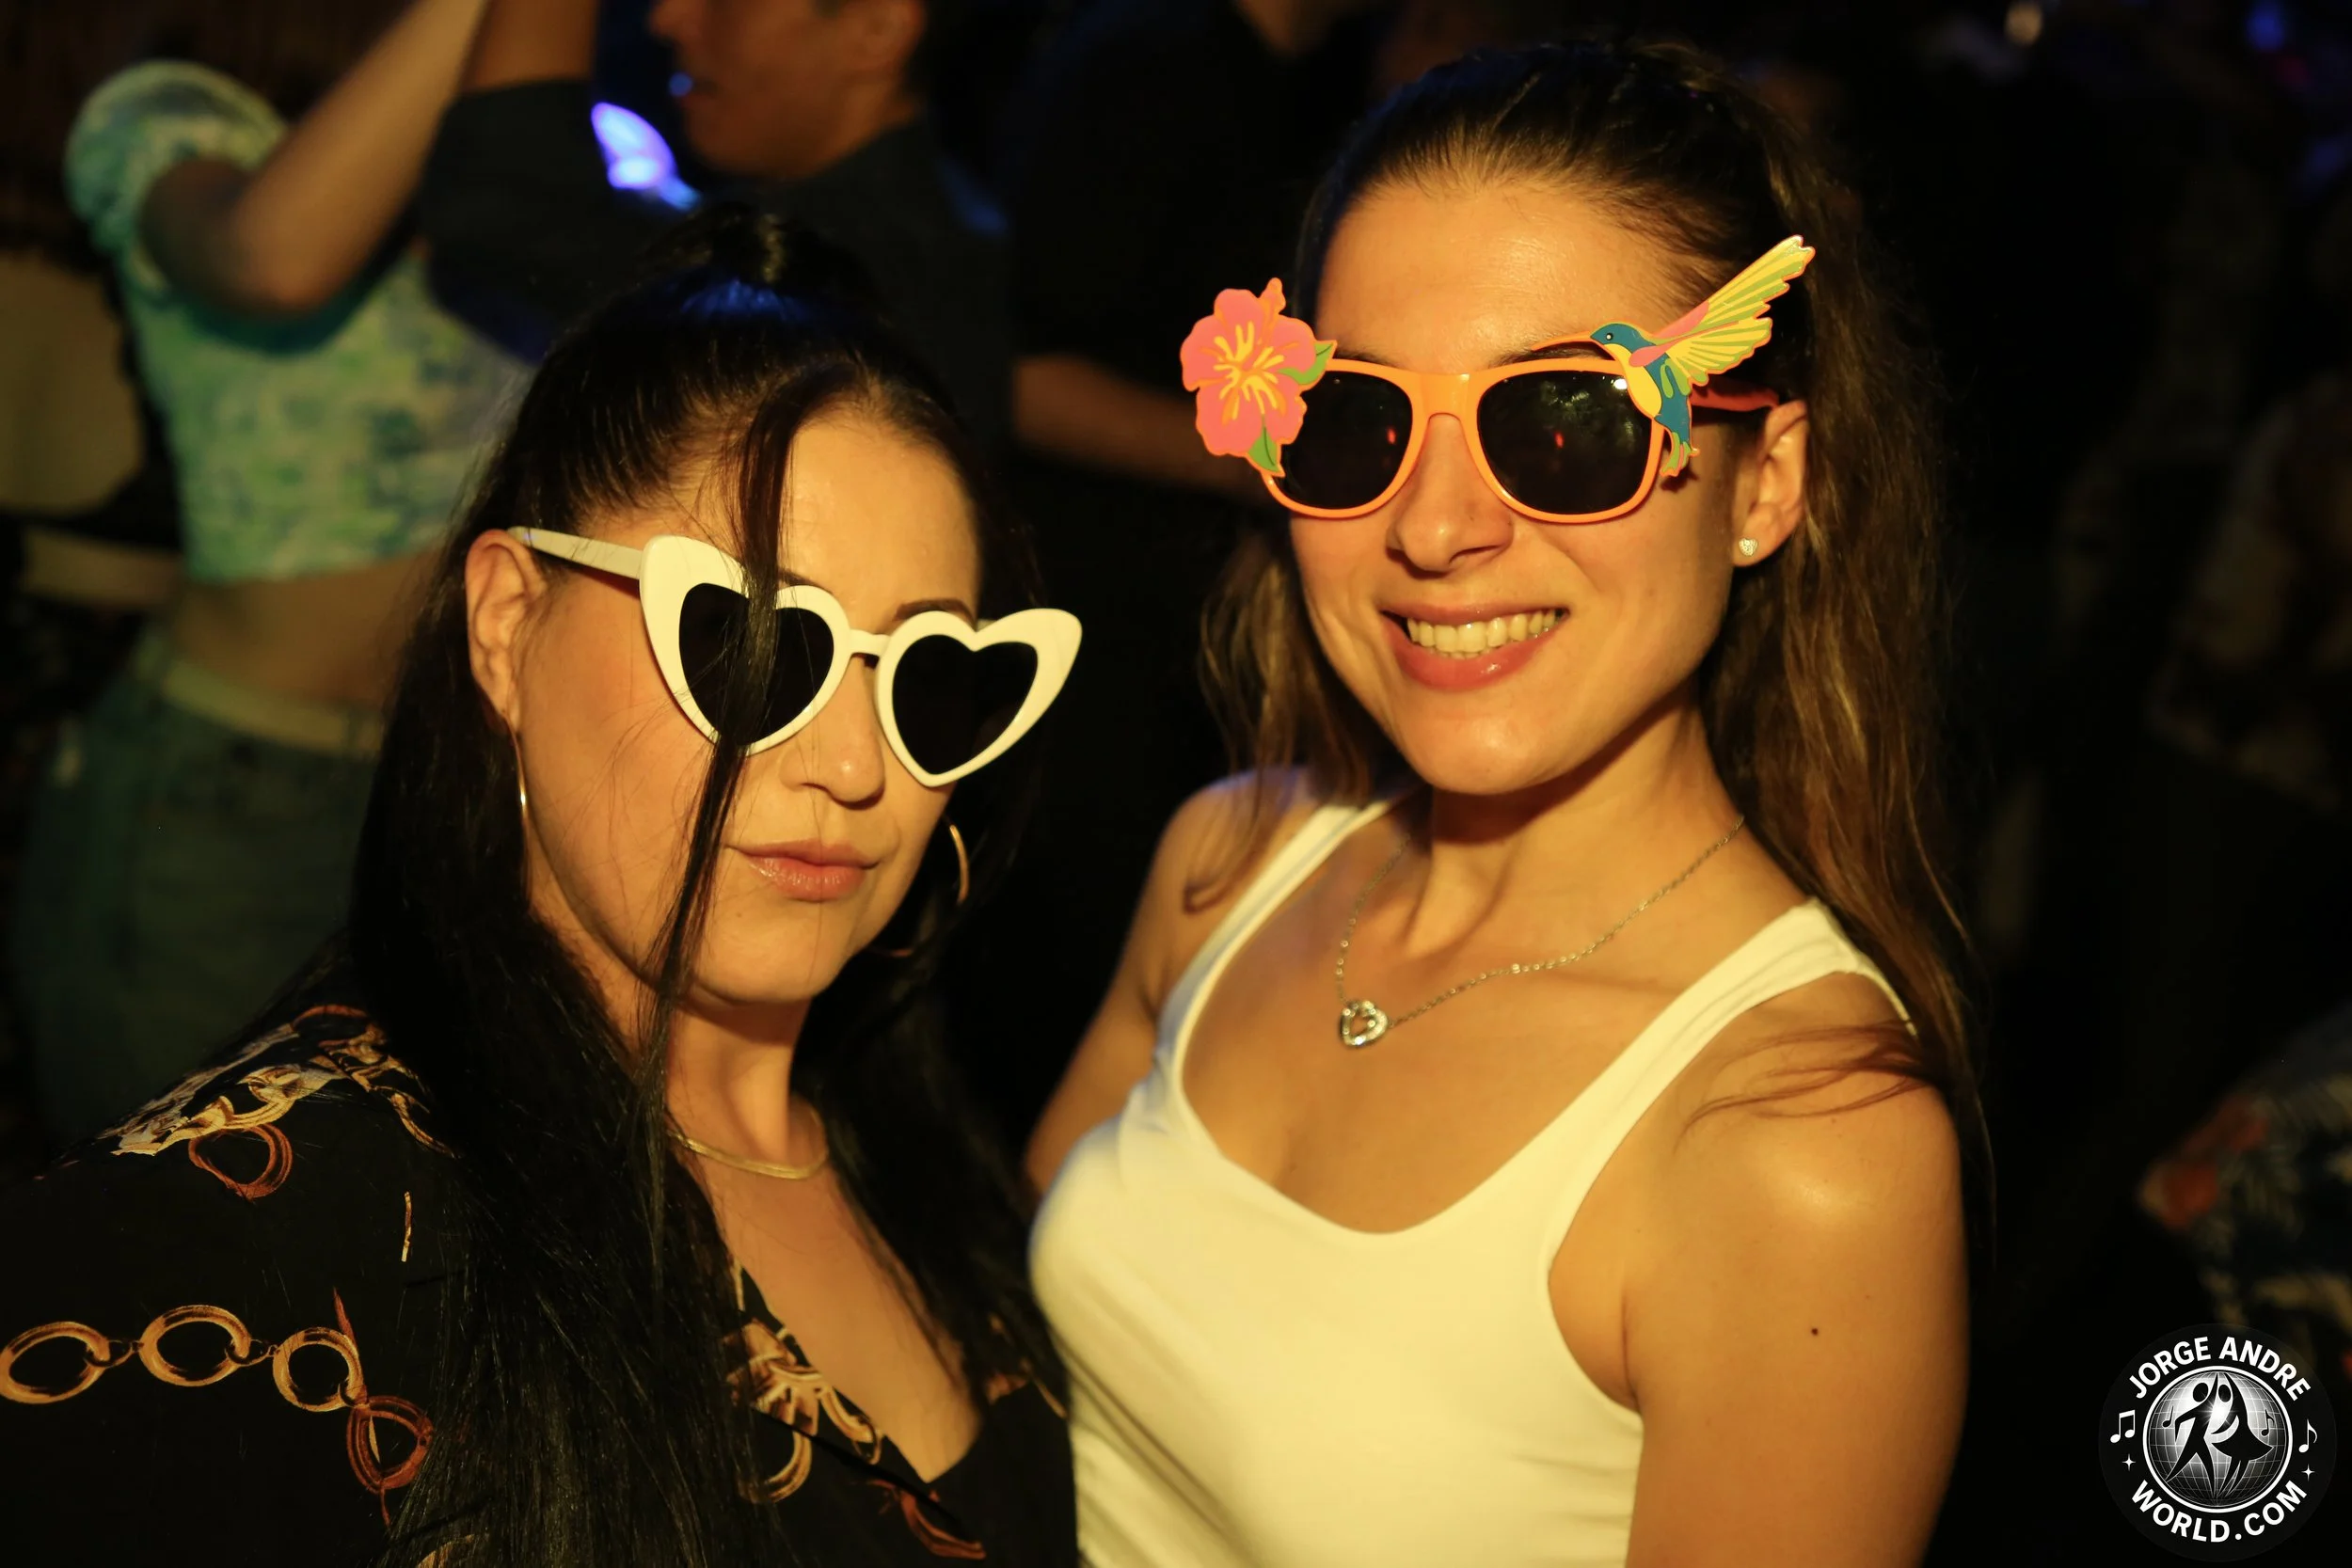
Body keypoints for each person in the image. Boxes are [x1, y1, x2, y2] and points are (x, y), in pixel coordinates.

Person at [0, 209, 1080, 1567]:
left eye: (930, 679)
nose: (858, 763)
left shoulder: (929, 1147)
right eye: (754, 641)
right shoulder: (254, 1241)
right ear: (509, 623)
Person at [1026, 40, 1984, 1567]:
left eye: (1565, 425)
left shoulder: (1805, 1144)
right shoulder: (1230, 861)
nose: (1438, 527)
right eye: (1359, 422)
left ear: (1765, 482)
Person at [11, 0, 527, 1143]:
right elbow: (273, 258)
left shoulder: (487, 159)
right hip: (226, 804)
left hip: (441, 794)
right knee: (174, 1214)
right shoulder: (166, 120)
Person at [418, 0, 1010, 449]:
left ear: (876, 31)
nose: (667, 17)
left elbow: (503, 199)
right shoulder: (921, 230)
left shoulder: (859, 282)